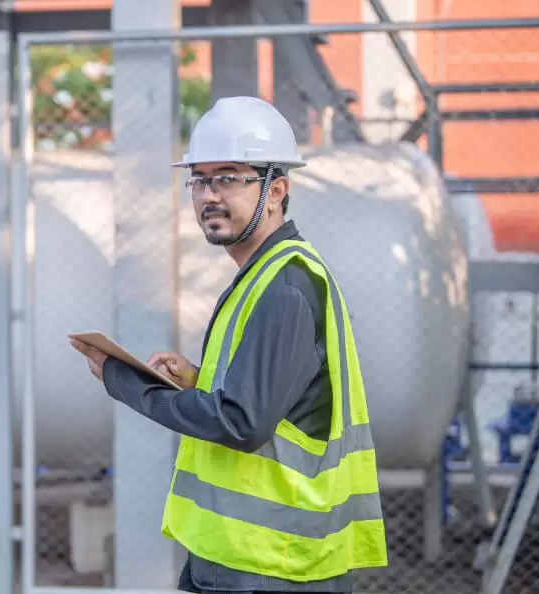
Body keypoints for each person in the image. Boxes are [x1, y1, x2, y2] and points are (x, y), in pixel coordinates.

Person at [70, 96, 389, 593]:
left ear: (276, 190)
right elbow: (278, 404)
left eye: (228, 178)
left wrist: (126, 381)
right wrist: (197, 380)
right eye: (198, 180)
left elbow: (242, 423)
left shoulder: (284, 287)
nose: (208, 195)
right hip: (254, 556)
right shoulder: (267, 276)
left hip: (268, 562)